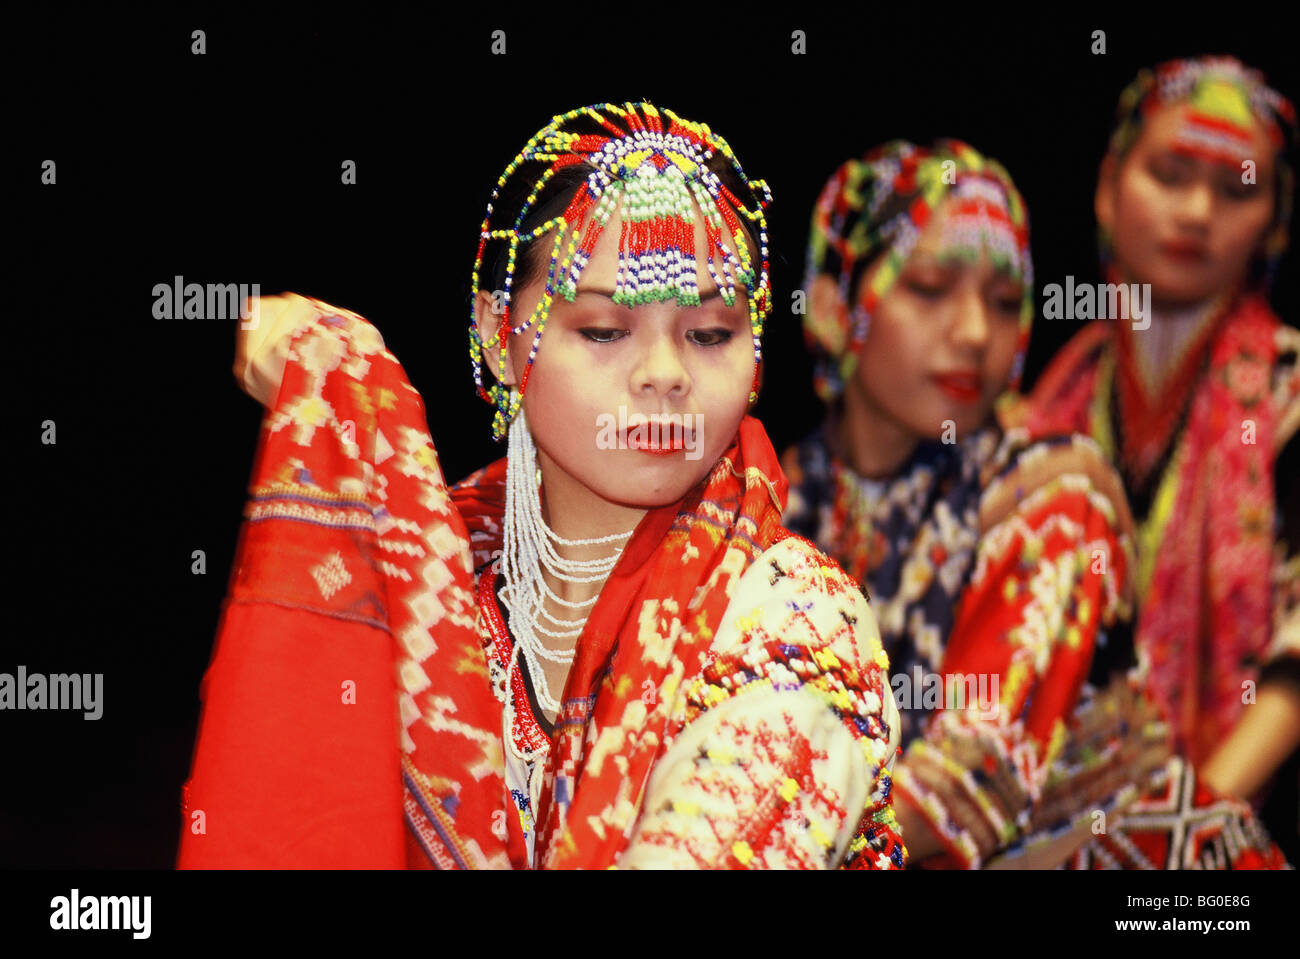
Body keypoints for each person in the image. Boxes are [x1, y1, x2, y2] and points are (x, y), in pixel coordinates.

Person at [177, 101, 905, 870]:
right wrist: (330, 381)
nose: (664, 374)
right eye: (603, 330)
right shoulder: (437, 589)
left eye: (710, 333)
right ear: (499, 335)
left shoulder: (795, 620)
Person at [785, 138, 1287, 869]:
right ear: (833, 307)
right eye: (929, 288)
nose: (974, 333)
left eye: (1004, 302)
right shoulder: (779, 499)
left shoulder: (1055, 493)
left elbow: (960, 790)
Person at [1016, 57, 1300, 853]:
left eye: (1237, 190)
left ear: (1275, 225)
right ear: (1109, 187)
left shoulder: (1288, 394)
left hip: (1233, 831)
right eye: (1169, 175)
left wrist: (1181, 826)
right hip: (1065, 825)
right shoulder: (1051, 404)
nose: (1197, 212)